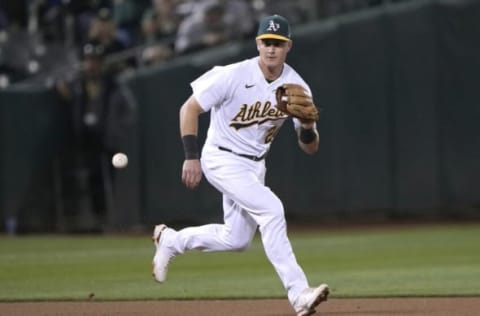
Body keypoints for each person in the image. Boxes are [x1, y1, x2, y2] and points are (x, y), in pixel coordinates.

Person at [152, 14, 329, 316]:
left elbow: (309, 147)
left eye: (278, 43)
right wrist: (191, 156)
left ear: (289, 47)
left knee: (236, 239)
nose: (271, 49)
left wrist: (309, 127)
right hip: (220, 157)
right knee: (272, 210)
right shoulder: (232, 74)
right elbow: (189, 108)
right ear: (257, 43)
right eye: (267, 42)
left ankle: (172, 240)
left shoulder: (298, 86)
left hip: (254, 167)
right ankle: (299, 295)